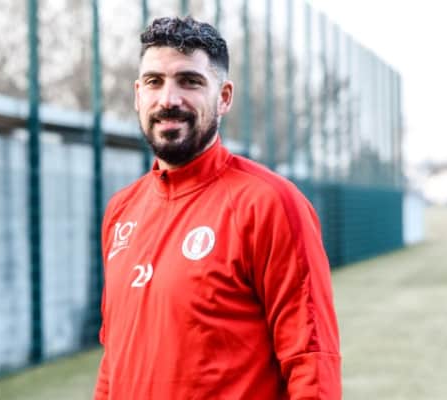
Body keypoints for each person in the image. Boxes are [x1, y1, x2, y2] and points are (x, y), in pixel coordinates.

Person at [94, 16, 341, 400]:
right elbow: (115, 357)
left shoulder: (270, 203)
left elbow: (311, 358)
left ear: (224, 97)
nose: (168, 100)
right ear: (138, 94)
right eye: (154, 81)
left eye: (189, 81)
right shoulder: (120, 211)